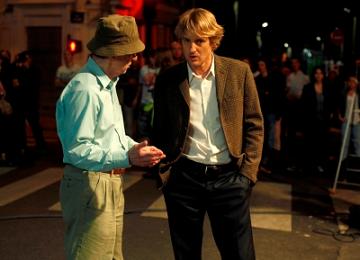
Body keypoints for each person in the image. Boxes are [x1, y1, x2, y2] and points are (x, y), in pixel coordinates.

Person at [152, 8, 264, 260]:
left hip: (229, 178)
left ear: (213, 41)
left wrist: (247, 174)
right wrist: (163, 170)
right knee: (186, 255)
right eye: (186, 40)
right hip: (184, 180)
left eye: (199, 41)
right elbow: (159, 128)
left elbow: (254, 123)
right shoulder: (169, 79)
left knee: (240, 254)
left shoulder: (238, 72)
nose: (192, 48)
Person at [56, 14, 165, 260]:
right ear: (114, 53)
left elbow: (112, 135)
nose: (134, 59)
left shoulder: (106, 84)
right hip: (90, 183)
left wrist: (135, 148)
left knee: (111, 256)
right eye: (130, 53)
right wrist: (127, 156)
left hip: (107, 181)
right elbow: (77, 150)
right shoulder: (85, 89)